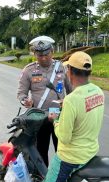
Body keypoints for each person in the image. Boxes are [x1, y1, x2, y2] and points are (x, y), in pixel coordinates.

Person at [40, 51, 105, 182]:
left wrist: (55, 120)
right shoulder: (98, 91)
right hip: (90, 151)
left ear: (69, 72)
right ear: (89, 72)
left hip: (71, 157)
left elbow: (64, 137)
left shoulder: (71, 100)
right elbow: (86, 113)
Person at [17, 35, 72, 166]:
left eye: (46, 54)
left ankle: (61, 176)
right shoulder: (28, 70)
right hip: (39, 115)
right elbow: (21, 93)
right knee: (41, 149)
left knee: (63, 149)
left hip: (59, 114)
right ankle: (44, 177)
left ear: (52, 52)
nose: (43, 58)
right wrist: (25, 101)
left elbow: (71, 90)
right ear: (35, 54)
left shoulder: (61, 67)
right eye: (39, 55)